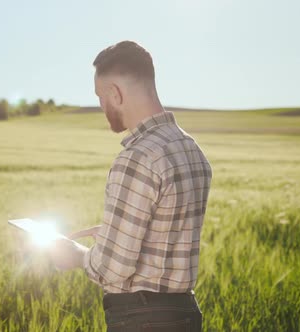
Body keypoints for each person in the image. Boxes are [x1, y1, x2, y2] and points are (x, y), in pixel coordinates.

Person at [49, 41, 212, 331]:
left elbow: (111, 270)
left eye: (100, 96)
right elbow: (169, 236)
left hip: (142, 320)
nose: (101, 106)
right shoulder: (191, 149)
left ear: (115, 93)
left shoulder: (137, 157)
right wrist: (117, 235)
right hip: (184, 315)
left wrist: (73, 254)